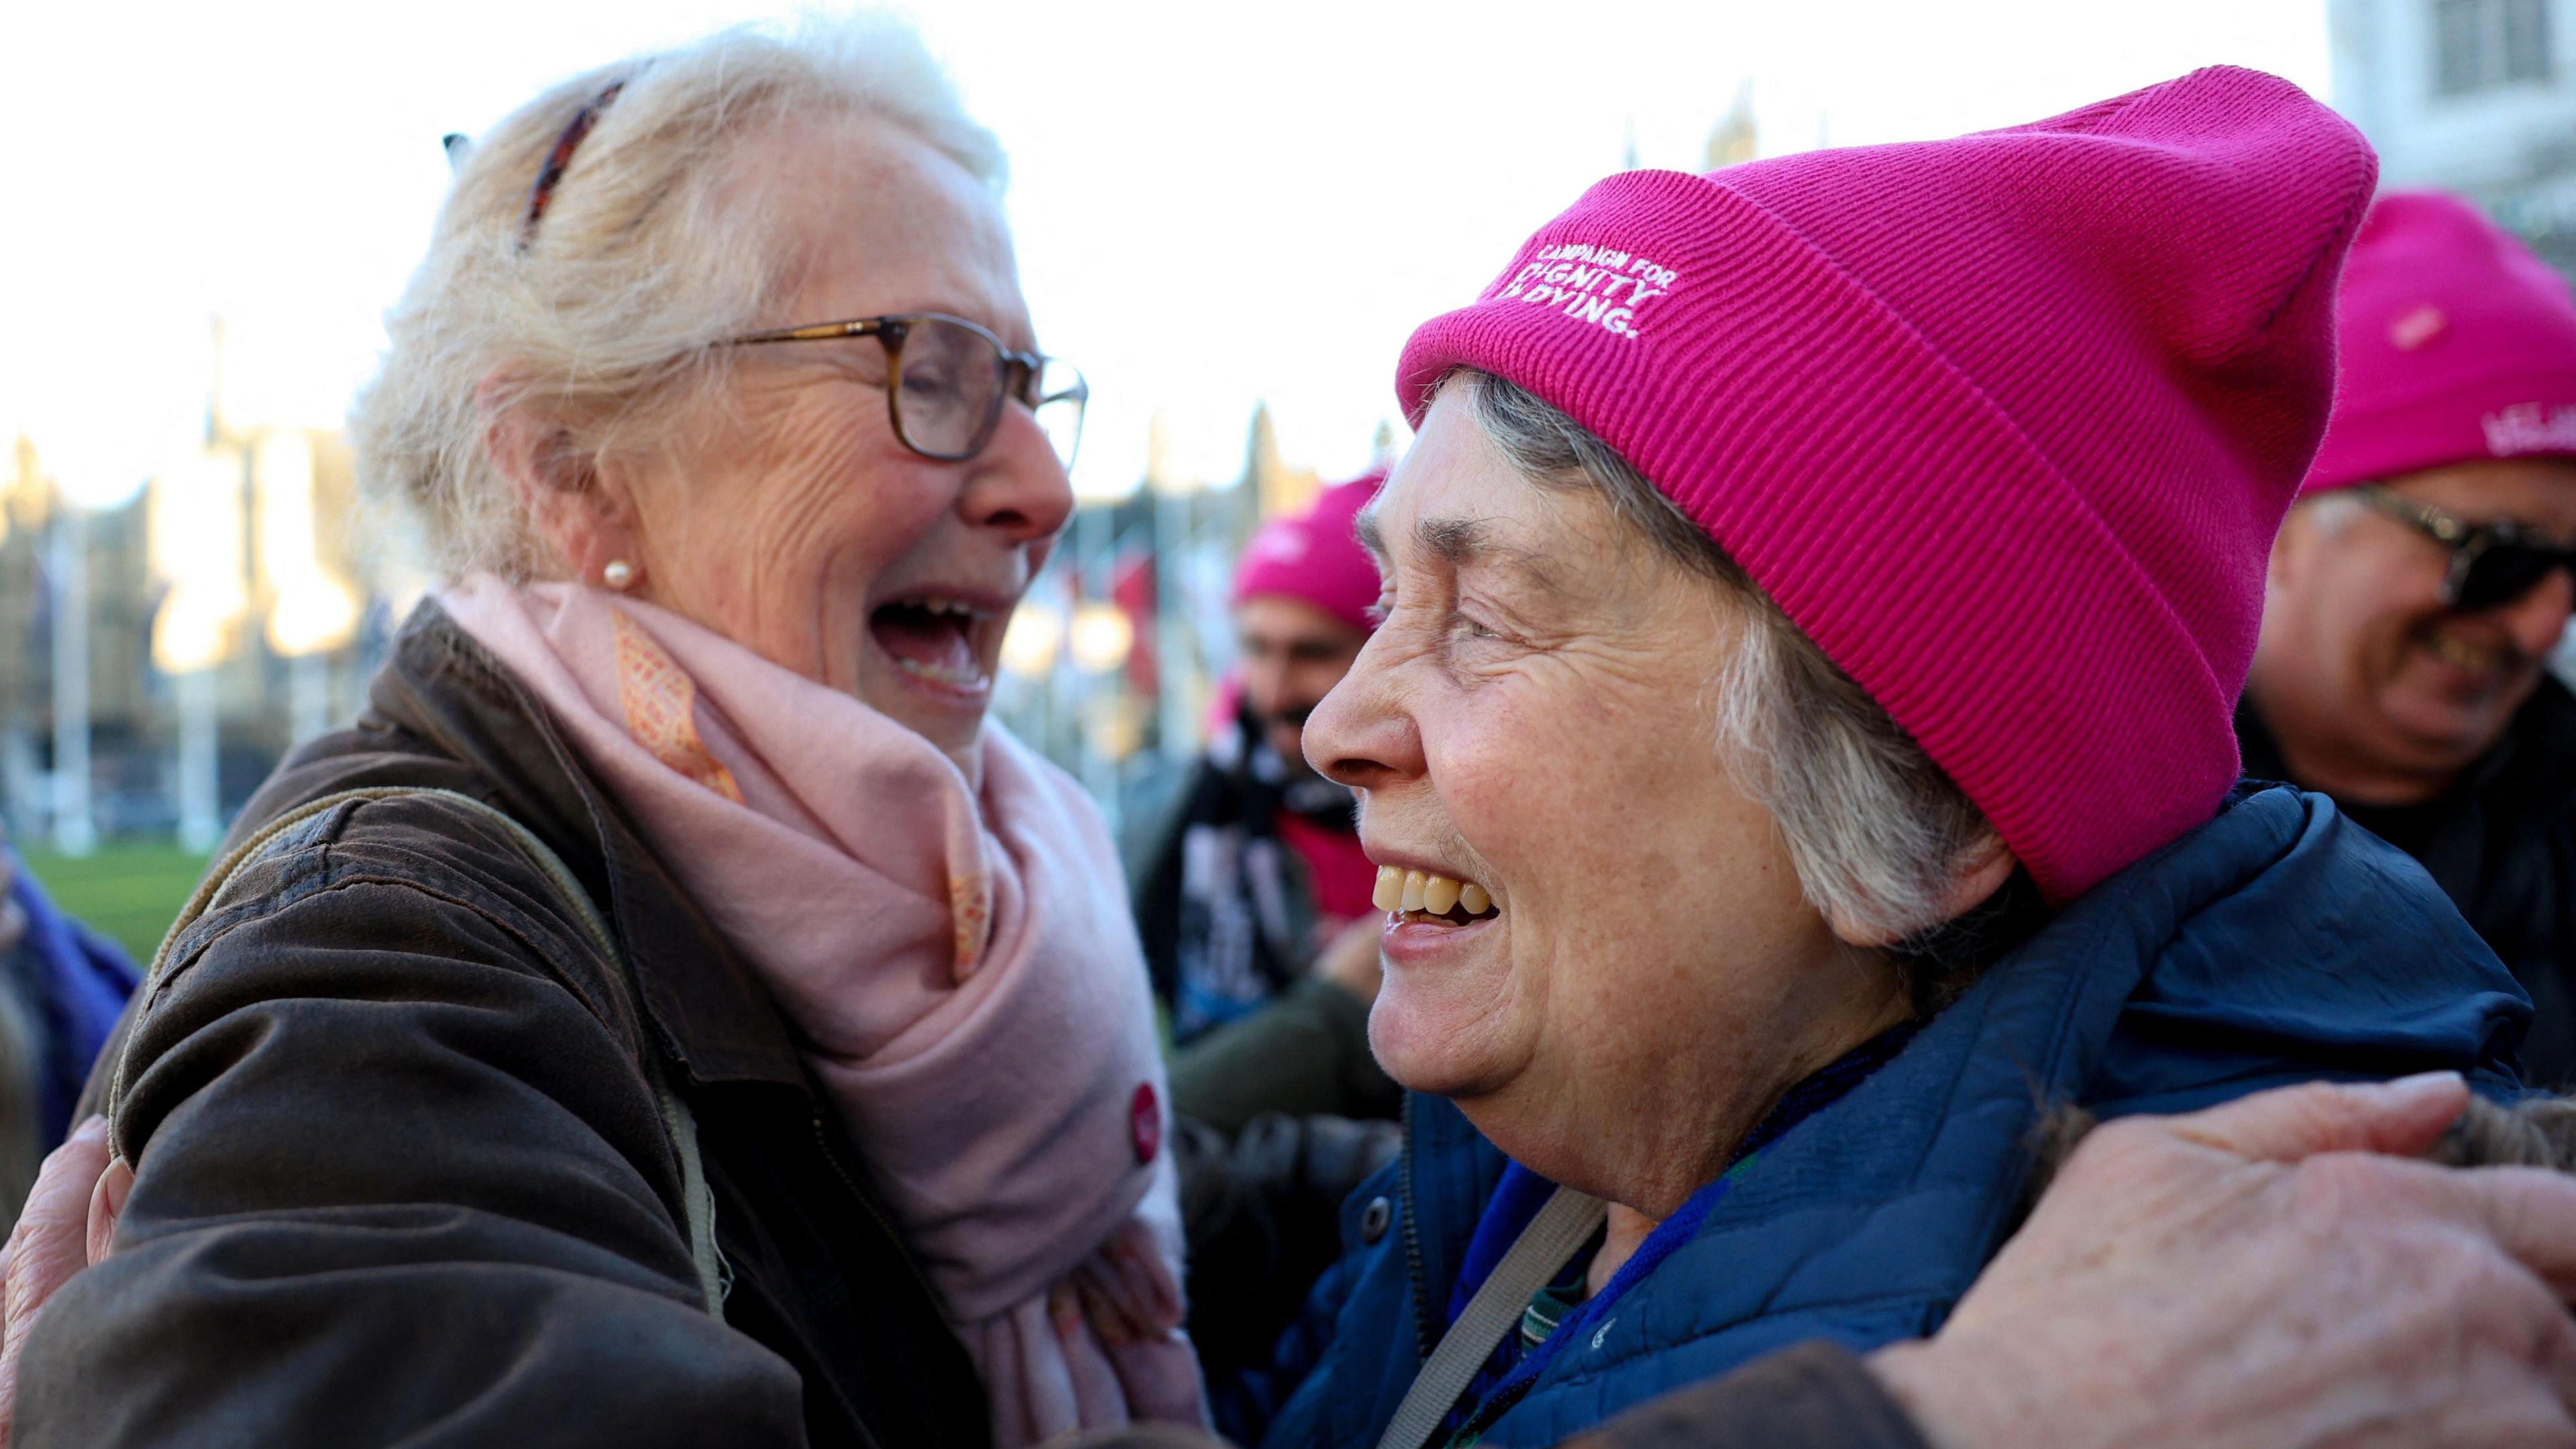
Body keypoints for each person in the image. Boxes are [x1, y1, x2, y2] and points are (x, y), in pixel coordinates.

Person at [1250, 67, 2540, 1449]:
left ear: (1912, 800)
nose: (1335, 729)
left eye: (1488, 620)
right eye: (1389, 601)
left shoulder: (2285, 1374)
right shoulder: (1539, 1186)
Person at [7, 20, 1201, 1448]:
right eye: (926, 373)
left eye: (1021, 383)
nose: (1047, 487)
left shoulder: (941, 892)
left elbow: (1180, 1200)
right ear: (577, 473)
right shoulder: (383, 963)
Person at [2239, 191, 2576, 1083]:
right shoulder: (2093, 839)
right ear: (2290, 522)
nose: (2545, 624)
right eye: (2494, 557)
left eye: (2573, 574)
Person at [1134, 474, 1403, 1132]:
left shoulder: (1450, 829)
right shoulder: (1178, 817)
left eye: (1312, 652)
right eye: (1255, 648)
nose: (1273, 691)